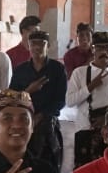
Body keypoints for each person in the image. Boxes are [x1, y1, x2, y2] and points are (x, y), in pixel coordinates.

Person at [66, 31, 108, 167]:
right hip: (84, 128)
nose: (104, 52)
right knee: (84, 172)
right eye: (99, 48)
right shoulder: (80, 72)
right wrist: (90, 87)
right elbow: (70, 101)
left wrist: (107, 119)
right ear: (93, 50)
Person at [10, 29, 69, 165]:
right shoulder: (20, 70)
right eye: (33, 43)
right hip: (24, 123)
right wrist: (28, 91)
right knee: (24, 165)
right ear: (28, 46)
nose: (37, 47)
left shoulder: (57, 69)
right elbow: (12, 99)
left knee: (50, 165)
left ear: (48, 46)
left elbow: (60, 101)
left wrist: (40, 116)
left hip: (48, 125)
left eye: (41, 43)